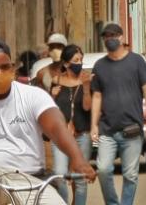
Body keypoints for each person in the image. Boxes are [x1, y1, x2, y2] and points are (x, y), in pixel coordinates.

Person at [0, 39, 96, 204]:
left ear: (13, 68)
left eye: (4, 67)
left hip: (32, 181)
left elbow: (56, 127)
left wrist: (77, 158)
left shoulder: (33, 96)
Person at [89, 23, 146, 205]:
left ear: (121, 37)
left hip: (132, 129)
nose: (109, 39)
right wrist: (93, 125)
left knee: (130, 174)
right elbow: (97, 96)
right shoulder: (100, 66)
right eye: (106, 37)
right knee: (103, 169)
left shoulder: (136, 61)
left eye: (112, 35)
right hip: (107, 130)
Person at [50, 45, 93, 205]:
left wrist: (87, 87)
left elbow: (87, 107)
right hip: (60, 136)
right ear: (67, 63)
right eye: (76, 60)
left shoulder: (86, 80)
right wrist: (52, 96)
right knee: (60, 175)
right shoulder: (56, 81)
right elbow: (48, 110)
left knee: (80, 178)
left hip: (82, 135)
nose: (79, 63)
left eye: (81, 59)